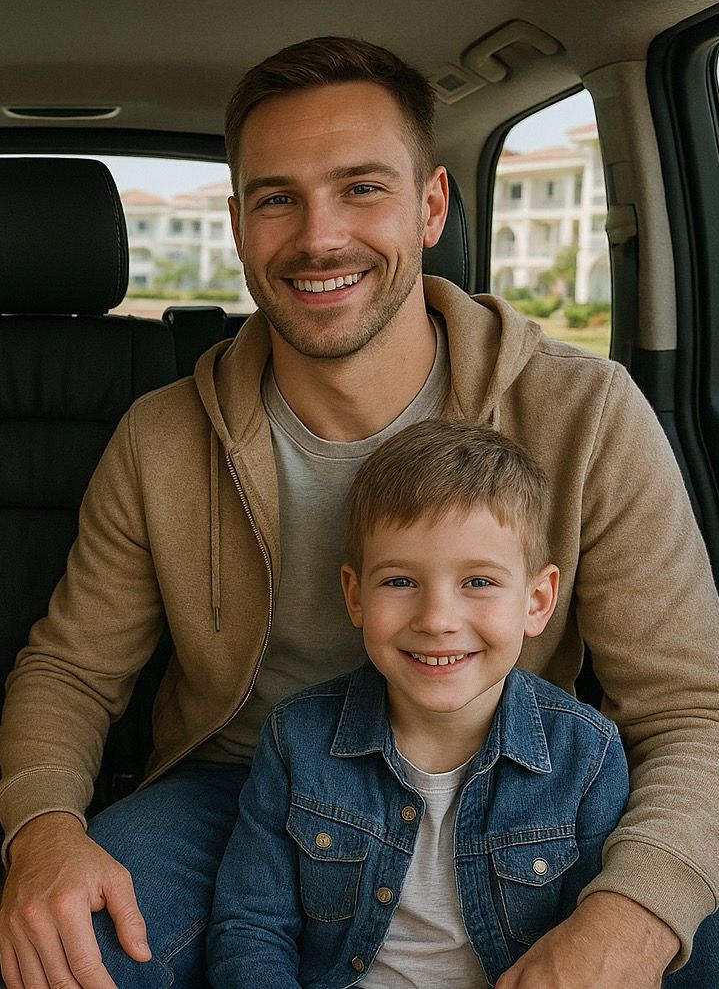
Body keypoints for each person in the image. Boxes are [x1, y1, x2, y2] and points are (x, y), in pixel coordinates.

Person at [0, 37, 719, 989]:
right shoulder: (161, 438)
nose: (320, 236)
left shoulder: (586, 414)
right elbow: (70, 671)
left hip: (525, 788)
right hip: (240, 788)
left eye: (362, 188)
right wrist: (42, 831)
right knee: (70, 954)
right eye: (278, 198)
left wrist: (632, 916)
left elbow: (697, 716)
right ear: (239, 225)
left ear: (432, 204)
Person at [206, 419, 630, 986]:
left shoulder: (586, 756)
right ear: (356, 595)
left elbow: (591, 951)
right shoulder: (296, 740)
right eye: (400, 581)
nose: (436, 620)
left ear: (537, 600)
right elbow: (252, 929)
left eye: (478, 582)